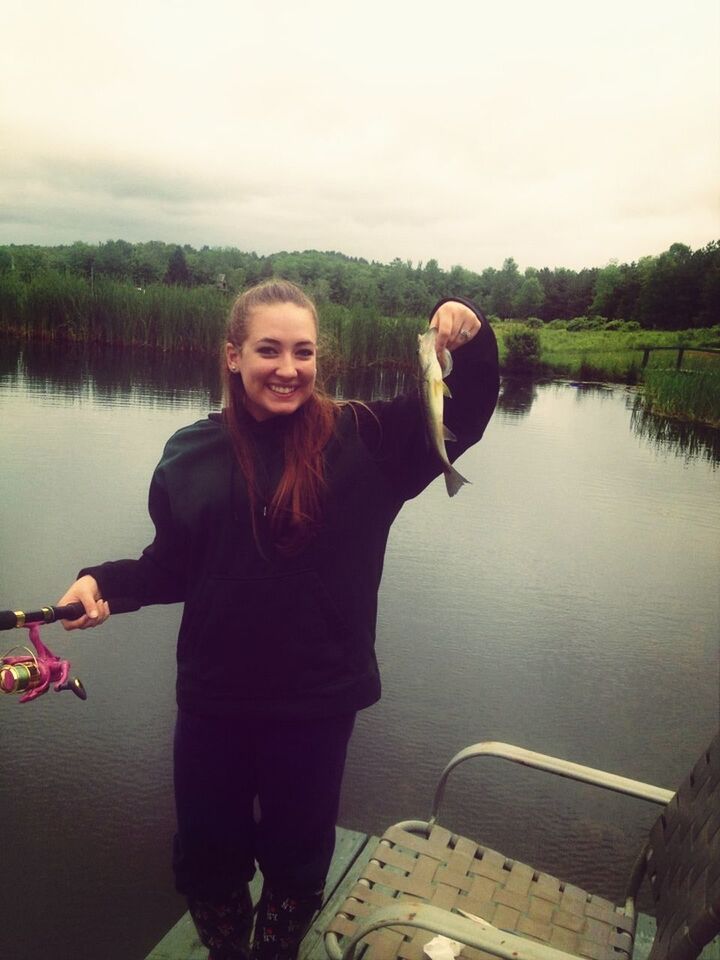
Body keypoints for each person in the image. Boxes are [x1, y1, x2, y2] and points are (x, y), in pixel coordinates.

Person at [57, 279, 500, 960]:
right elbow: (174, 566)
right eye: (269, 349)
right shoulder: (189, 454)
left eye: (304, 351)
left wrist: (469, 340)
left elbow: (462, 414)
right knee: (207, 859)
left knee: (298, 857)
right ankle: (230, 949)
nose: (288, 368)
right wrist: (102, 581)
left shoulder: (371, 440)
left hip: (317, 702)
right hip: (214, 699)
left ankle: (277, 949)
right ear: (233, 355)